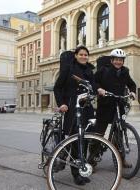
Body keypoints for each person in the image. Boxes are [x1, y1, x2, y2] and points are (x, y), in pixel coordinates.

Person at [53, 46, 97, 186]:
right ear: (76, 56)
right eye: (81, 54)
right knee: (75, 141)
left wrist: (98, 90)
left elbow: (94, 87)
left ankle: (80, 169)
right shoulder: (68, 69)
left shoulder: (90, 70)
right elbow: (57, 87)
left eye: (86, 55)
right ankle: (75, 173)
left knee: (84, 141)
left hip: (87, 109)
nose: (84, 57)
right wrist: (62, 104)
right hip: (72, 108)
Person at [94, 48, 136, 168]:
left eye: (121, 60)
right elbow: (94, 81)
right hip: (105, 105)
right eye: (116, 60)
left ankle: (120, 160)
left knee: (119, 134)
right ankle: (92, 160)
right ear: (112, 60)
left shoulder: (125, 71)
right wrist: (99, 89)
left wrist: (132, 91)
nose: (119, 62)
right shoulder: (103, 70)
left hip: (119, 105)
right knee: (99, 134)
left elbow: (131, 84)